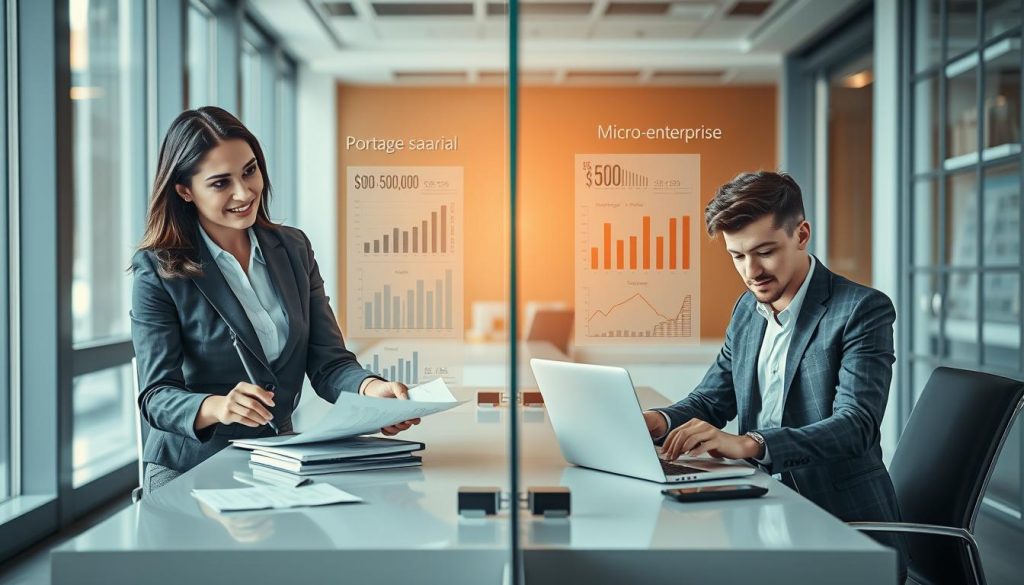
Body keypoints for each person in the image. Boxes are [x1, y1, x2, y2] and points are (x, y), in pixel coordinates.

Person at [130, 106, 418, 494]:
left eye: (249, 171)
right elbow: (156, 397)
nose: (244, 192)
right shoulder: (158, 270)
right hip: (191, 464)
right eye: (220, 183)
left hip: (277, 455)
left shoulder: (293, 248)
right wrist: (217, 406)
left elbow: (329, 363)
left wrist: (370, 390)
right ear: (185, 190)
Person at [643, 171, 908, 580]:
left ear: (801, 235)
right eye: (737, 256)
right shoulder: (747, 311)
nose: (752, 271)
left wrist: (750, 444)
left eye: (765, 251)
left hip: (842, 524)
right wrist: (655, 422)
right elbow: (712, 399)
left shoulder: (861, 310)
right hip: (759, 507)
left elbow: (855, 426)